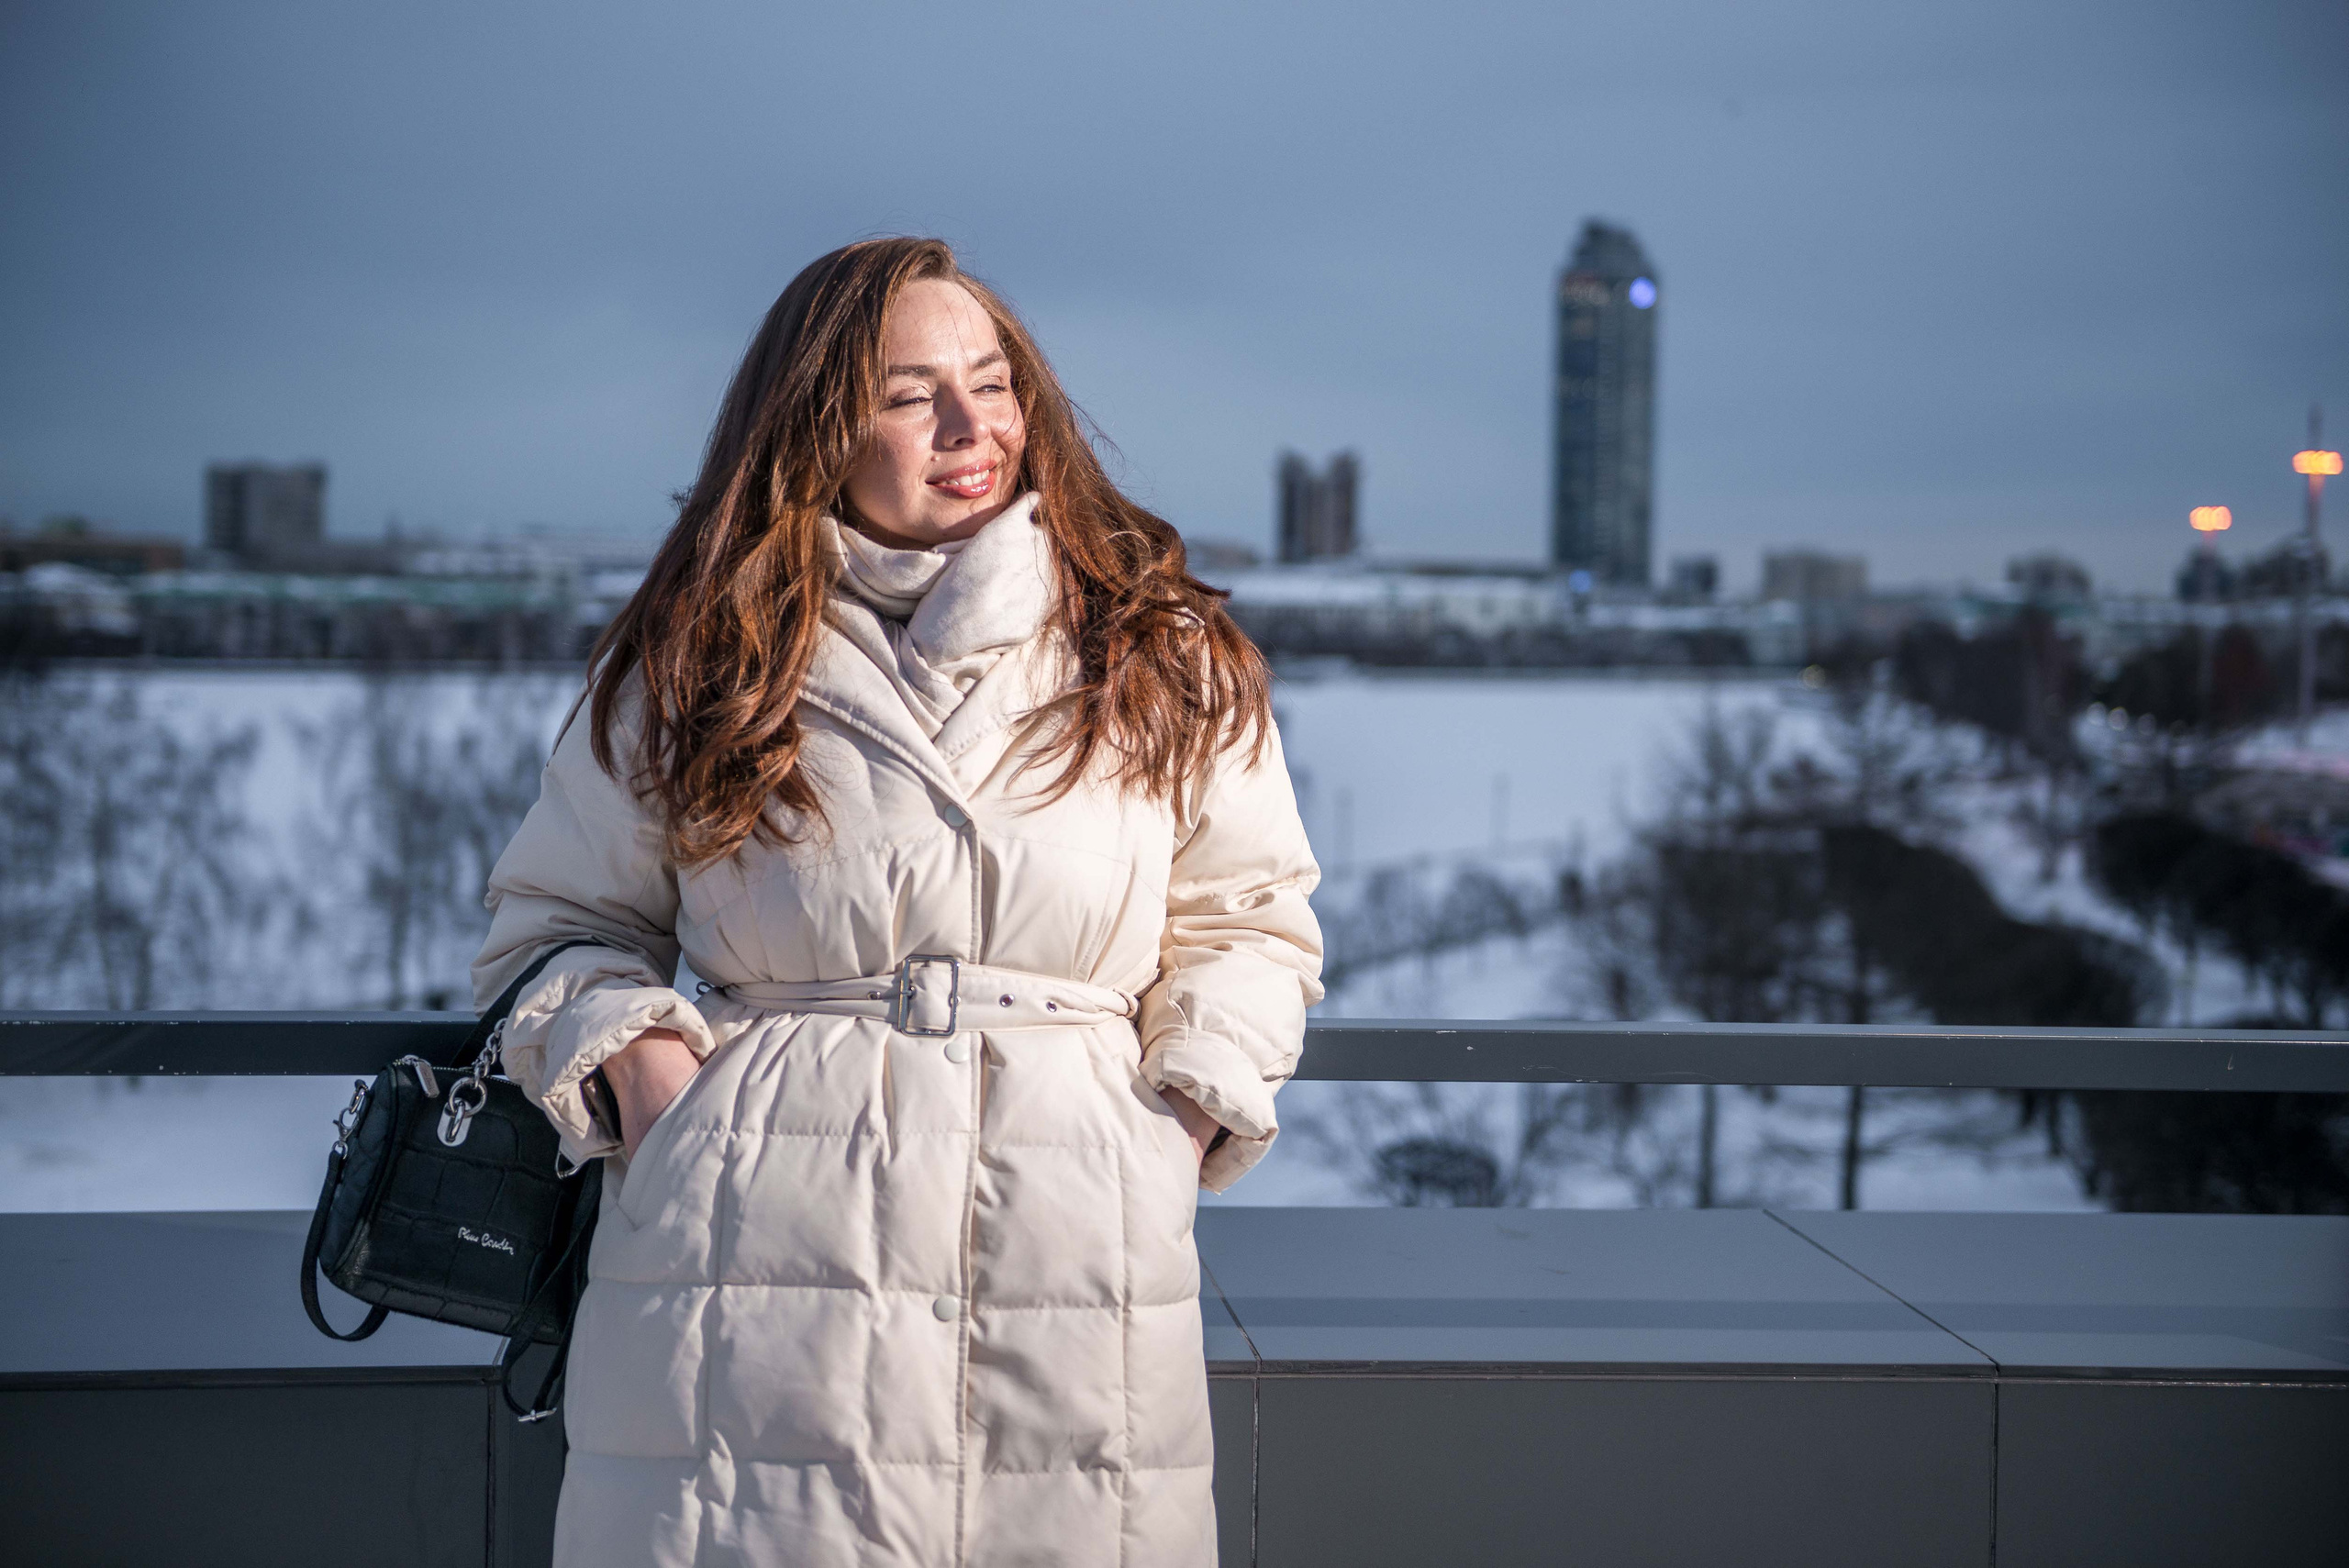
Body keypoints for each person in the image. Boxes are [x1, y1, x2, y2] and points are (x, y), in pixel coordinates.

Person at [472, 236, 1323, 1568]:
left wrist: (1172, 1120)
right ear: (814, 424)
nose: (972, 429)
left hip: (1072, 1244)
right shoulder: (702, 656)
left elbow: (1249, 919)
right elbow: (556, 926)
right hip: (749, 1255)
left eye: (993, 382)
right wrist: (650, 1078)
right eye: (910, 395)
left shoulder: (1157, 648)